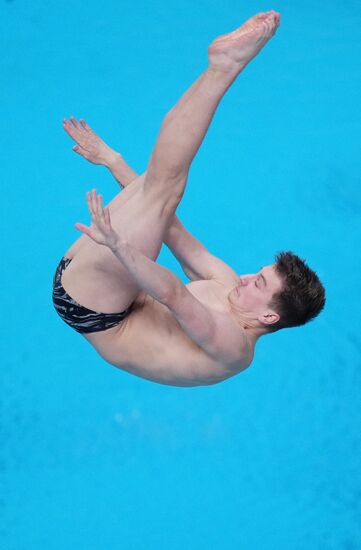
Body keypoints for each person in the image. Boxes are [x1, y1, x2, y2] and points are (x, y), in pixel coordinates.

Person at [53, 11, 325, 387]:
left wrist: (119, 245)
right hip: (107, 290)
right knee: (162, 187)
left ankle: (224, 67)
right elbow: (172, 229)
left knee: (165, 187)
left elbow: (173, 294)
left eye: (259, 284)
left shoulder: (234, 348)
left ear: (268, 317)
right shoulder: (227, 284)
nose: (246, 277)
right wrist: (112, 161)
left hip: (94, 310)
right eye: (258, 273)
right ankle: (223, 66)